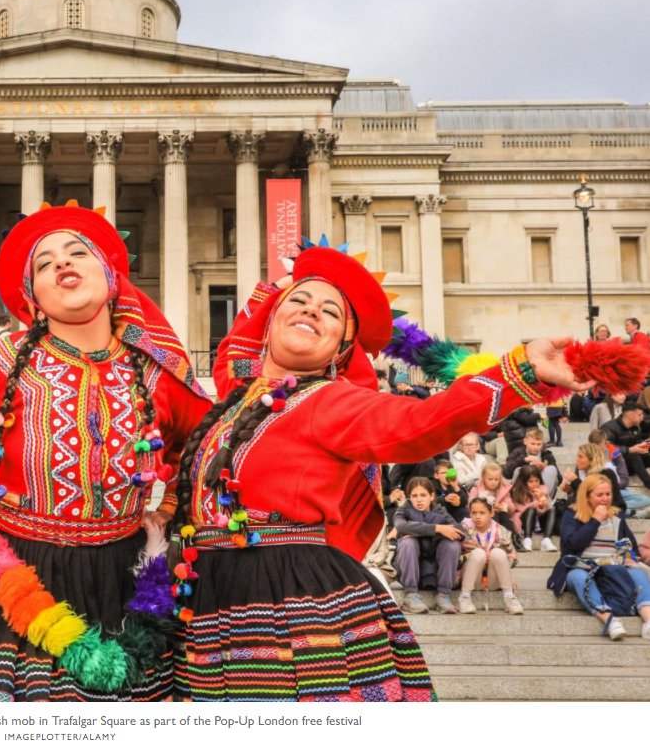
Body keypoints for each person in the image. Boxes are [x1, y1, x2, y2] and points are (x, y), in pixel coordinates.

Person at [171, 239, 600, 702]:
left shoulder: (332, 401)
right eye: (299, 301)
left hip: (288, 598)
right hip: (209, 592)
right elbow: (231, 352)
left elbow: (425, 422)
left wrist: (520, 372)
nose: (312, 310)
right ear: (271, 320)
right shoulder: (236, 403)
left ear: (341, 348)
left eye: (330, 312)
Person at [0, 202, 211, 701]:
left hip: (124, 579)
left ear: (112, 278)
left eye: (77, 252)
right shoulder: (0, 360)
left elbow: (206, 442)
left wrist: (168, 510)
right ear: (31, 296)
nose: (62, 262)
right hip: (16, 575)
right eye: (44, 262)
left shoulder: (155, 372)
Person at [548, 474, 650, 641]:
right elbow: (572, 544)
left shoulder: (616, 517)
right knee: (578, 577)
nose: (605, 499)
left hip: (612, 567)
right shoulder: (572, 514)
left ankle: (648, 620)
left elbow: (630, 545)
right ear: (587, 496)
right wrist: (595, 520)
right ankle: (609, 620)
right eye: (599, 495)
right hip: (580, 566)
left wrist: (629, 556)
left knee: (639, 573)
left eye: (608, 494)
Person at [394, 478, 465, 614]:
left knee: (452, 544)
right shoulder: (403, 511)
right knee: (408, 542)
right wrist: (438, 528)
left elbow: (460, 532)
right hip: (411, 570)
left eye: (423, 495)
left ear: (432, 496)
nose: (419, 500)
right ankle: (411, 596)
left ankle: (443, 595)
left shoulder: (440, 510)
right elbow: (401, 526)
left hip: (436, 568)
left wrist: (419, 531)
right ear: (409, 497)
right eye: (414, 496)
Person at [458, 497, 522, 614]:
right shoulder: (463, 530)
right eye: (474, 513)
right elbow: (455, 559)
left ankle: (509, 597)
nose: (477, 516)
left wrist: (492, 558)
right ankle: (465, 597)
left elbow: (513, 559)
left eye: (482, 513)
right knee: (479, 554)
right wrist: (476, 557)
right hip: (471, 578)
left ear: (491, 513)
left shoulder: (501, 531)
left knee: (497, 553)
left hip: (493, 580)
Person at [559, 442, 630, 515]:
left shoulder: (606, 473)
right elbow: (578, 501)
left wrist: (575, 481)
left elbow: (593, 497)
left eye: (581, 457)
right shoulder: (580, 471)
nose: (577, 460)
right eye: (577, 457)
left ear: (592, 459)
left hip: (609, 512)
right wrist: (570, 492)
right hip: (586, 513)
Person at [602, 402, 650, 489]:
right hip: (615, 464)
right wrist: (629, 450)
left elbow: (637, 442)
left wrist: (644, 445)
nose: (642, 418)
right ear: (630, 415)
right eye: (640, 415)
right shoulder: (609, 427)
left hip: (631, 463)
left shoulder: (635, 427)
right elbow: (605, 448)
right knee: (633, 455)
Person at [510, 464, 556, 552]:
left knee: (551, 509)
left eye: (537, 481)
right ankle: (527, 539)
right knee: (531, 509)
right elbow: (520, 509)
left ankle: (547, 539)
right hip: (524, 521)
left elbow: (546, 507)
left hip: (540, 522)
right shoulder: (518, 491)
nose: (534, 484)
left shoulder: (543, 490)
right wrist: (536, 502)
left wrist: (543, 502)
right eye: (530, 481)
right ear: (523, 482)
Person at [504, 426, 559, 494]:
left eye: (539, 444)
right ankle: (522, 499)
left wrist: (544, 468)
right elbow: (506, 473)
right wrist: (524, 460)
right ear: (525, 441)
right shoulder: (517, 452)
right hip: (522, 493)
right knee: (518, 470)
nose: (536, 447)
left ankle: (542, 497)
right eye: (533, 444)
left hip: (542, 492)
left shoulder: (547, 455)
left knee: (551, 469)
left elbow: (559, 479)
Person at [469, 462, 518, 535]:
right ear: (483, 478)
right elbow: (471, 505)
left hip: (503, 518)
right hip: (482, 519)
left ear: (500, 479)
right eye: (490, 479)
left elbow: (512, 508)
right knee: (494, 514)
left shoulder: (503, 490)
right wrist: (491, 506)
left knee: (502, 515)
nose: (493, 482)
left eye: (496, 479)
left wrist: (505, 506)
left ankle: (513, 536)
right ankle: (495, 536)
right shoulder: (476, 489)